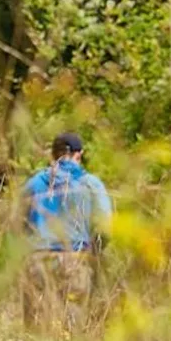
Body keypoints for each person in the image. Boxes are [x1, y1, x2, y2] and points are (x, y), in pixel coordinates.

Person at [21, 131, 113, 328]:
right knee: (72, 330)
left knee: (36, 330)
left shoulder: (34, 183)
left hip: (38, 259)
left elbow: (16, 220)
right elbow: (106, 226)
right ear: (79, 154)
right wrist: (96, 251)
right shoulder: (91, 184)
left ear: (53, 155)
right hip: (76, 259)